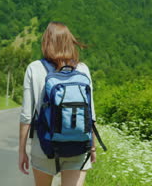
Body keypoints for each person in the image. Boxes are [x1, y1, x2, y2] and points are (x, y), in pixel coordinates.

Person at [18, 21, 97, 186]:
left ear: (46, 42)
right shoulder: (83, 69)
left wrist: (22, 150)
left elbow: (26, 116)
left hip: (44, 146)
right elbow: (91, 113)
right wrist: (92, 146)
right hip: (78, 144)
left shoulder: (34, 68)